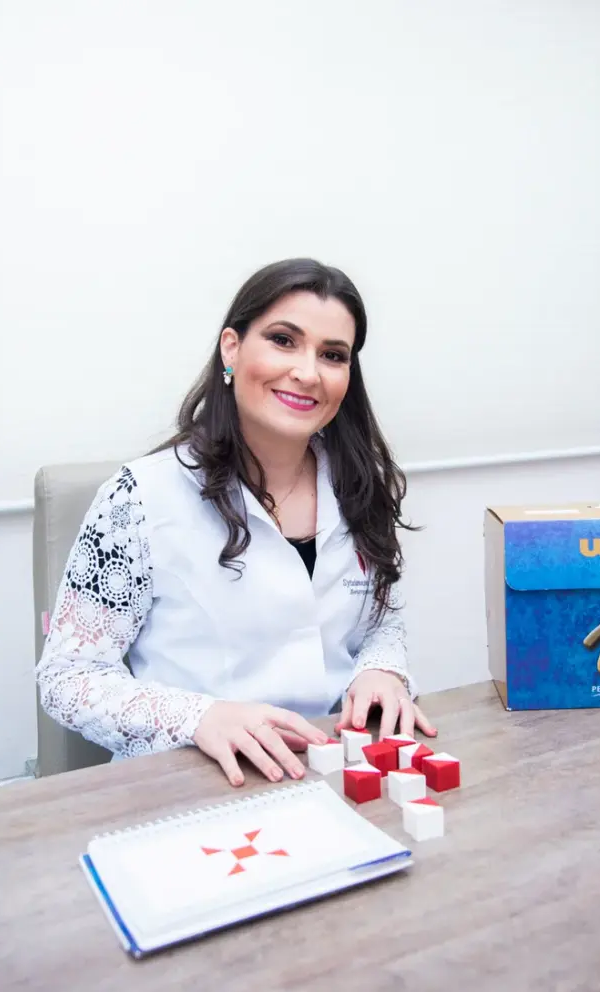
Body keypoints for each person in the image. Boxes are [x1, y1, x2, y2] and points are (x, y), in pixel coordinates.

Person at [36, 257, 436, 787]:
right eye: (283, 340)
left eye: (333, 355)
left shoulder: (360, 484)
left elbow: (379, 621)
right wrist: (200, 717)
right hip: (193, 782)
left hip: (337, 769)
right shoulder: (141, 497)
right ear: (231, 348)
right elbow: (68, 678)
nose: (308, 372)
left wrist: (381, 669)